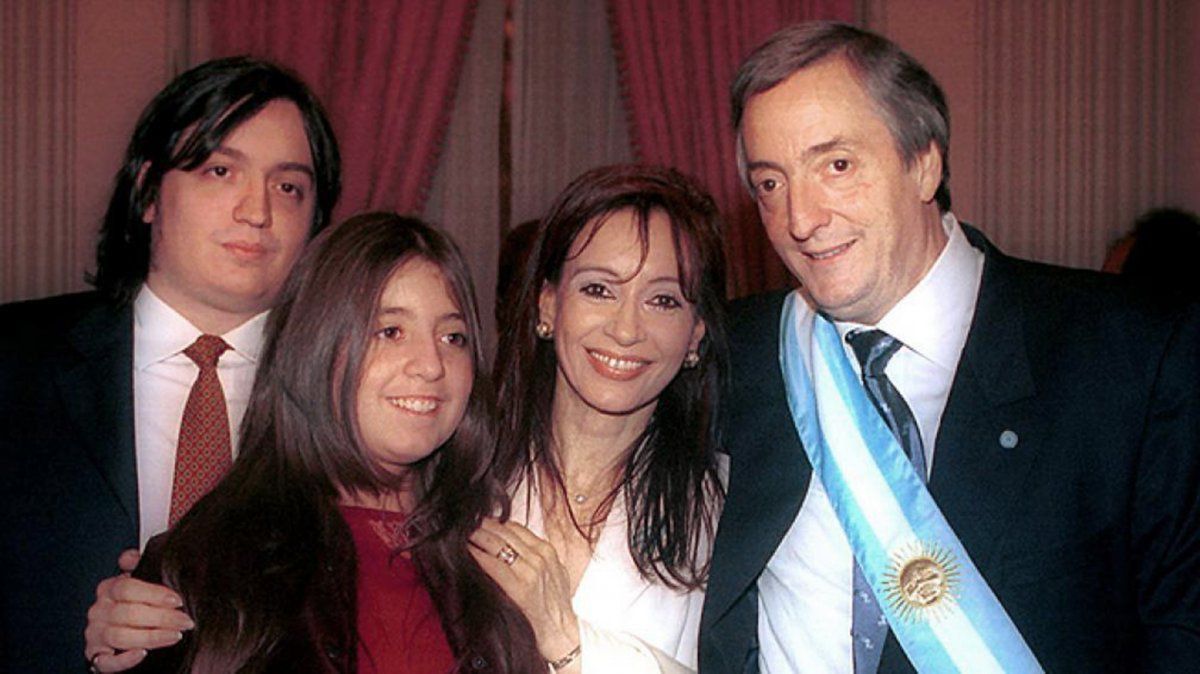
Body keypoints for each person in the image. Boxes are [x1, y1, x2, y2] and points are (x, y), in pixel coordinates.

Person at [699, 21, 1200, 674]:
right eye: (771, 183)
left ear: (924, 164)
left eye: (836, 166)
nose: (801, 219)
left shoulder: (1130, 355)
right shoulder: (731, 356)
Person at [0, 56, 341, 672]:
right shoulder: (15, 361)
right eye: (220, 171)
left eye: (289, 187)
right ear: (147, 191)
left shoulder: (351, 394)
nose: (257, 211)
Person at [93, 213, 544, 673]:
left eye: (453, 337)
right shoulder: (208, 565)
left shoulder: (502, 553)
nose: (431, 365)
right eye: (390, 332)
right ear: (316, 347)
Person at [470, 164, 729, 672]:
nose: (626, 329)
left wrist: (566, 639)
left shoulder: (730, 510)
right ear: (548, 304)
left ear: (695, 334)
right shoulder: (463, 473)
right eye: (598, 290)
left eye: (662, 300)